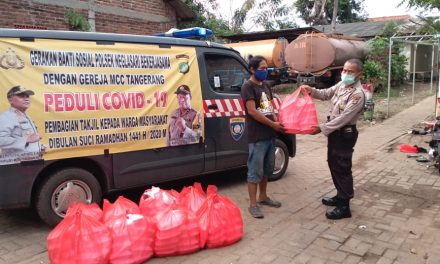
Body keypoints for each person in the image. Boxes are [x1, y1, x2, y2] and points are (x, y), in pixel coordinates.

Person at [300, 58, 366, 220]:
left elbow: (344, 118)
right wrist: (311, 90)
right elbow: (325, 94)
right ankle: (339, 195)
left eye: (350, 72)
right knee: (333, 164)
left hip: (345, 134)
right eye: (344, 70)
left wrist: (321, 128)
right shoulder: (342, 85)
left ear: (358, 74)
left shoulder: (357, 94)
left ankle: (345, 206)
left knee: (342, 167)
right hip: (335, 134)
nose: (345, 74)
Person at [241, 55, 286, 219]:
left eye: (266, 68)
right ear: (252, 69)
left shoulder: (266, 85)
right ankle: (253, 205)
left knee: (267, 169)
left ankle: (263, 196)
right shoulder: (248, 87)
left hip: (269, 135)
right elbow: (252, 111)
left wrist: (277, 121)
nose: (264, 71)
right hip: (257, 137)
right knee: (254, 171)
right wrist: (272, 124)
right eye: (261, 68)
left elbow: (268, 108)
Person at [0, 85, 43, 164]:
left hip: (30, 163)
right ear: (10, 100)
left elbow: (28, 138)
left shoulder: (25, 116)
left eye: (27, 96)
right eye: (21, 96)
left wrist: (39, 147)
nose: (26, 99)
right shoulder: (5, 117)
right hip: (15, 165)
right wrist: (26, 140)